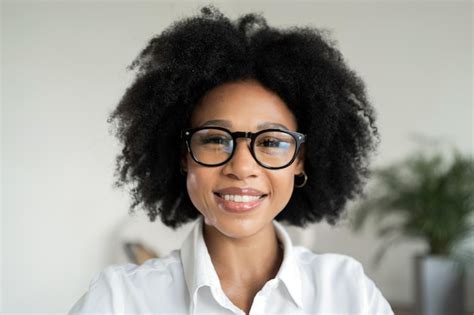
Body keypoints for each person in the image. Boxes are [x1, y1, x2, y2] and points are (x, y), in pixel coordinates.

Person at [69, 5, 394, 315]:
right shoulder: (119, 301)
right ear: (184, 156)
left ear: (300, 161)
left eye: (270, 142)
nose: (241, 167)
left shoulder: (350, 293)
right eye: (214, 139)